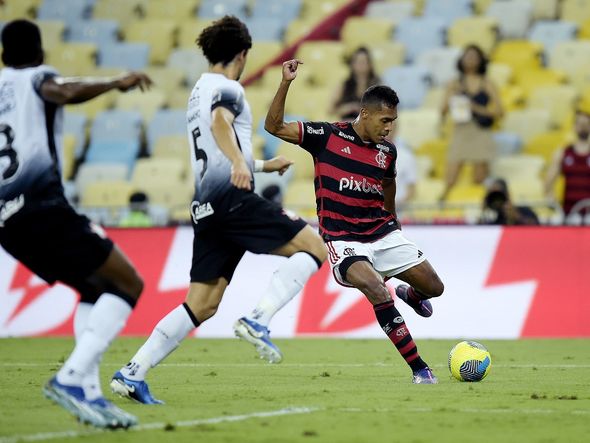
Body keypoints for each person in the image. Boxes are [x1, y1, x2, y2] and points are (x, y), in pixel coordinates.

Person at [110, 16, 327, 404]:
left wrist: (259, 165)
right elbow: (220, 125)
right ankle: (258, 320)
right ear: (242, 54)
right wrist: (242, 165)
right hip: (231, 199)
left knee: (202, 303)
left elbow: (212, 149)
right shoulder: (229, 89)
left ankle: (133, 372)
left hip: (206, 206)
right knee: (313, 247)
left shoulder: (198, 90)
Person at [0, 20, 152, 428]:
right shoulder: (37, 77)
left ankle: (90, 394)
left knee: (93, 287)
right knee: (128, 284)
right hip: (42, 208)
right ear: (40, 51)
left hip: (7, 222)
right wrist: (116, 82)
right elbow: (63, 90)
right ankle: (69, 379)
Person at [263, 59, 445, 384]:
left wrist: (393, 220)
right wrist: (285, 83)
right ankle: (421, 369)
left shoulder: (387, 152)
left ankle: (413, 294)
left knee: (435, 287)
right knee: (377, 289)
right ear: (365, 113)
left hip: (381, 232)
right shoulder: (327, 136)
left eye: (393, 121)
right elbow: (274, 127)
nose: (389, 127)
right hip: (343, 238)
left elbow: (389, 183)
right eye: (385, 120)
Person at [440, 44, 503, 200]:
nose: (470, 60)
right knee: (451, 176)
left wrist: (475, 108)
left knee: (479, 178)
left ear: (481, 61)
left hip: (480, 132)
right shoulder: (454, 83)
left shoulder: (487, 83)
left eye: (474, 57)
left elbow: (500, 112)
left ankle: (479, 207)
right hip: (461, 130)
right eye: (467, 57)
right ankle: (442, 204)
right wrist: (452, 97)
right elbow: (443, 110)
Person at [545, 109, 590, 217]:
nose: (583, 126)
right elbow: (548, 182)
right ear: (574, 126)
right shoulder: (563, 153)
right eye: (580, 123)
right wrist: (551, 200)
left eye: (586, 124)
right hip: (569, 212)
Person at [329, 46, 380, 121]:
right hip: (347, 125)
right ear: (352, 64)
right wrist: (346, 108)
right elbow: (330, 110)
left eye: (363, 61)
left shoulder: (377, 85)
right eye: (357, 61)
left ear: (370, 64)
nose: (360, 65)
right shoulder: (344, 85)